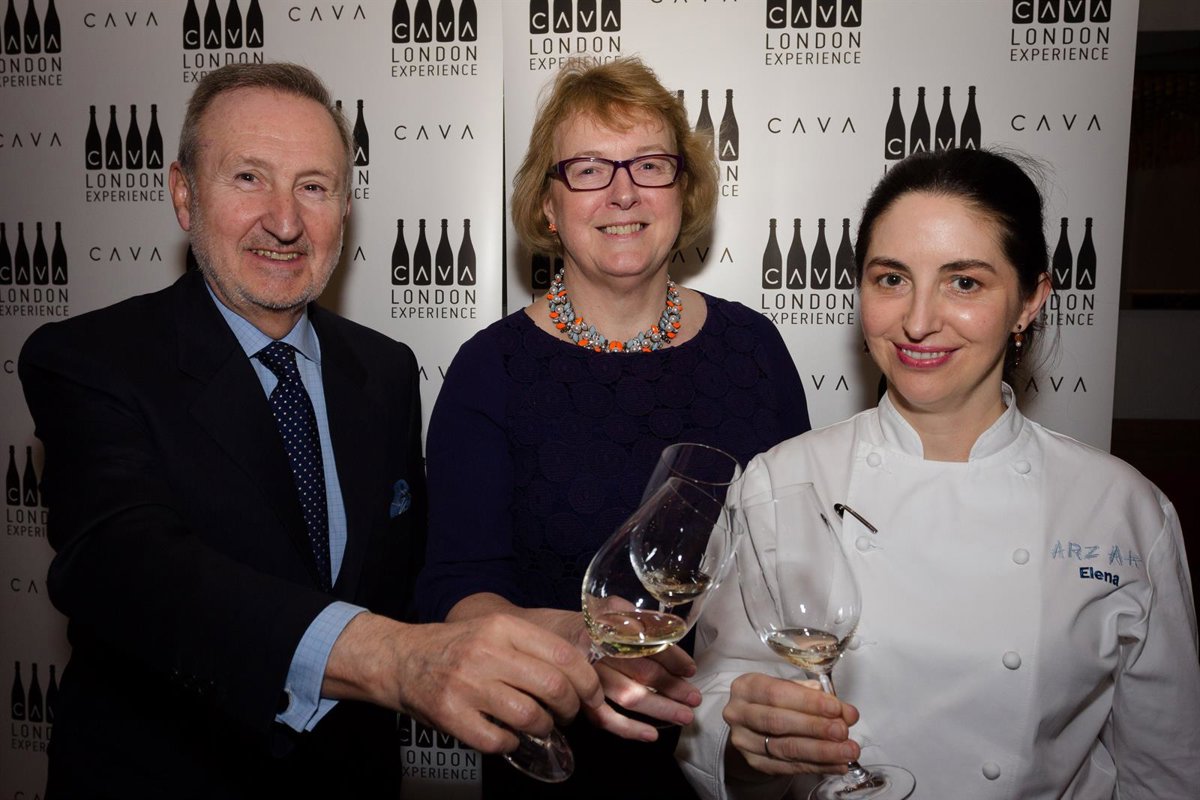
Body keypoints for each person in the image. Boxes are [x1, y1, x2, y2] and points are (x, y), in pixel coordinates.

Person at [18, 62, 607, 799]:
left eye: (314, 187)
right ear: (183, 194)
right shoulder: (90, 359)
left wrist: (530, 628)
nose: (285, 221)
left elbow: (403, 580)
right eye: (248, 178)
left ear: (345, 208)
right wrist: (392, 660)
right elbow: (125, 566)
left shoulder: (385, 371)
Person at [676, 148, 1200, 799]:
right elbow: (714, 704)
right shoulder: (779, 481)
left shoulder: (1123, 508)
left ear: (1029, 302)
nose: (918, 321)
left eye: (965, 283)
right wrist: (745, 744)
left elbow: (1166, 767)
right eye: (891, 279)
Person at [415, 56, 811, 798]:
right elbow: (458, 589)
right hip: (553, 758)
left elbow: (794, 566)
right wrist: (572, 642)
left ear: (683, 190)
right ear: (547, 204)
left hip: (736, 753)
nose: (623, 192)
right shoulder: (490, 370)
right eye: (589, 169)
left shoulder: (755, 352)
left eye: (650, 165)